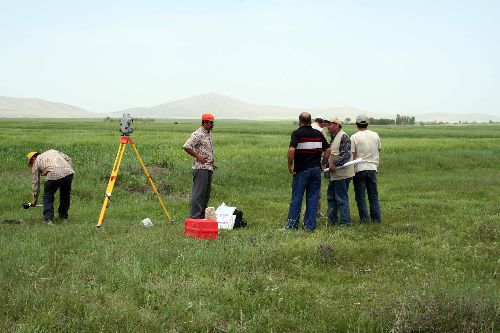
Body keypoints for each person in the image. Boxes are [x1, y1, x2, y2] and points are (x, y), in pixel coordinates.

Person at [285, 112, 330, 231]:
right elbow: (328, 150)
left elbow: (291, 150)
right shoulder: (318, 134)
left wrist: (290, 165)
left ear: (300, 121)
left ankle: (292, 226)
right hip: (316, 170)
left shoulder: (297, 133)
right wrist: (323, 163)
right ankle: (309, 226)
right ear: (310, 121)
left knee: (297, 198)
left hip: (301, 170)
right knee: (313, 199)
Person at [27, 150, 74, 225]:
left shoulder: (36, 161)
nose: (32, 164)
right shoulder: (53, 151)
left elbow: (35, 182)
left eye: (31, 162)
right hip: (69, 172)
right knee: (65, 195)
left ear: (33, 158)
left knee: (48, 196)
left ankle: (48, 220)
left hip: (53, 173)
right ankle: (63, 218)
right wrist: (66, 170)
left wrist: (35, 199)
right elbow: (68, 159)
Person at [183, 113, 216, 219]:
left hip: (208, 168)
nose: (212, 125)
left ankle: (202, 216)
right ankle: (194, 216)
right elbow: (186, 146)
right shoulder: (198, 134)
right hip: (200, 168)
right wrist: (198, 156)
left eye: (213, 123)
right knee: (198, 194)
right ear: (205, 122)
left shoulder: (208, 133)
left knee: (205, 194)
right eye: (211, 123)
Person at [351, 114, 382, 223]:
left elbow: (353, 155)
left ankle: (365, 219)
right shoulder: (375, 135)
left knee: (361, 196)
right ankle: (376, 219)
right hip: (373, 168)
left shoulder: (354, 136)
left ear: (357, 124)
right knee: (373, 195)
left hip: (359, 168)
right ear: (367, 124)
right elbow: (379, 149)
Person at [325, 116, 354, 227]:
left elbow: (346, 155)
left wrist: (334, 165)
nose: (328, 126)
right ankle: (332, 221)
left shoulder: (343, 136)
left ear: (337, 125)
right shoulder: (333, 137)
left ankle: (345, 222)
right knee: (331, 197)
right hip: (334, 174)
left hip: (342, 174)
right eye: (327, 124)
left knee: (341, 199)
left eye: (330, 124)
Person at [311, 115, 328, 217]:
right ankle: (316, 211)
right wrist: (324, 163)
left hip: (304, 160)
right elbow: (326, 148)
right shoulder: (321, 130)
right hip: (317, 159)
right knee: (317, 187)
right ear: (322, 122)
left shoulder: (305, 128)